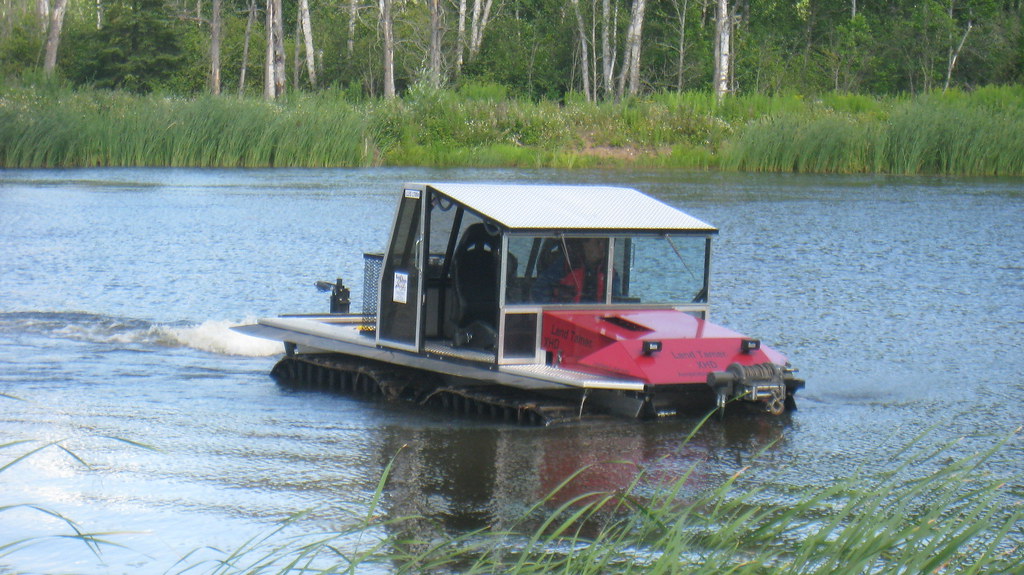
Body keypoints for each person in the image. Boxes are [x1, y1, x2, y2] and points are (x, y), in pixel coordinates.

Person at [532, 237, 610, 303]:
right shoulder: (563, 266)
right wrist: (557, 305)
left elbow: (615, 299)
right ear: (585, 244)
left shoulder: (610, 272)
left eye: (605, 243)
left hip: (597, 318)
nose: (602, 247)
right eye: (598, 242)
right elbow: (538, 291)